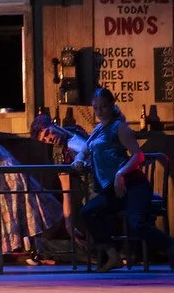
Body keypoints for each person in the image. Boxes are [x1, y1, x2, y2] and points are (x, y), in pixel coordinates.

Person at [73, 87, 174, 272]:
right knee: (88, 212)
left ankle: (170, 247)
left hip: (133, 185)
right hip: (112, 190)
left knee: (136, 223)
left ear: (112, 105)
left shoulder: (119, 127)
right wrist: (78, 160)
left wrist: (120, 173)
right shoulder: (97, 130)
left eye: (103, 106)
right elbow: (84, 151)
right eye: (96, 108)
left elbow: (138, 155)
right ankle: (113, 256)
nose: (99, 111)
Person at [31, 113, 90, 239]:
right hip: (93, 185)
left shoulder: (75, 130)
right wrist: (68, 224)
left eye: (47, 133)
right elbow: (66, 191)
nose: (49, 139)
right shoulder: (59, 155)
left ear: (54, 124)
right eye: (44, 140)